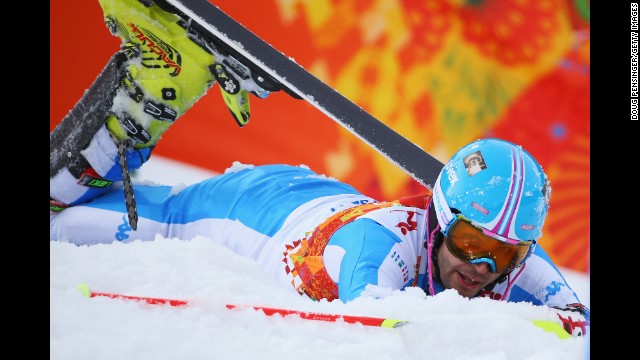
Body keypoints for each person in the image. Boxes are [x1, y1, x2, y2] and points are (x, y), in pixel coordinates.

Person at [50, 0, 589, 338]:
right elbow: (392, 330)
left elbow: (580, 325)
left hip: (324, 197)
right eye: (471, 241)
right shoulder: (381, 248)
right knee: (59, 221)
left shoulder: (507, 257)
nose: (481, 267)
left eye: (503, 253)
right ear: (441, 219)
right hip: (249, 212)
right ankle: (153, 79)